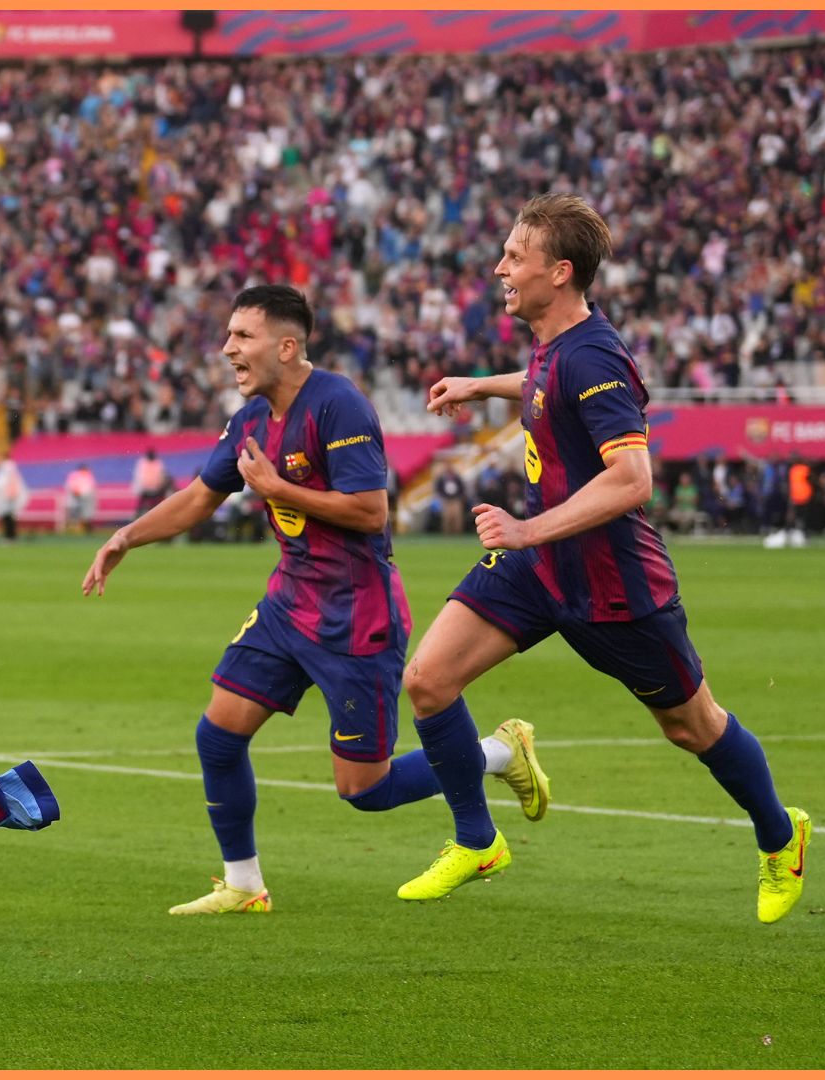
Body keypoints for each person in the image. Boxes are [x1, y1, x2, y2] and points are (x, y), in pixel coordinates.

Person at [403, 193, 809, 922]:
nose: (500, 268)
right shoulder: (555, 344)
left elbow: (633, 478)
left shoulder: (593, 356)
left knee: (694, 727)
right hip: (541, 568)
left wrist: (526, 532)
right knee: (429, 681)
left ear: (559, 272)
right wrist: (480, 386)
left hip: (613, 582)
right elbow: (541, 389)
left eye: (514, 257)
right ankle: (477, 839)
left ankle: (782, 837)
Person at [81, 285, 545, 915]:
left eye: (242, 337)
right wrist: (125, 538)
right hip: (288, 603)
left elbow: (369, 510)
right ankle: (243, 885)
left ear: (287, 345)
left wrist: (278, 489)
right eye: (229, 336)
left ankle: (497, 752)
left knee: (364, 789)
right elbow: (199, 496)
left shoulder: (338, 405)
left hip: (356, 615)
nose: (228, 349)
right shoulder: (248, 421)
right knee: (217, 735)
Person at [0, 451, 28, 542]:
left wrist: (12, 493)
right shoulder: (5, 467)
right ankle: (10, 536)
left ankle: (10, 537)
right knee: (7, 517)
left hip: (8, 496)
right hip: (6, 496)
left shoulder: (8, 466)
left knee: (8, 517)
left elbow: (12, 480)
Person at [131, 448, 171, 517]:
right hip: (146, 489)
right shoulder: (144, 463)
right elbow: (140, 477)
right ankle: (144, 517)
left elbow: (160, 476)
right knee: (147, 505)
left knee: (150, 505)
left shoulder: (156, 463)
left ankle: (149, 516)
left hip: (153, 489)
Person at [62, 462, 97, 535]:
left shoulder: (88, 476)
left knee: (85, 515)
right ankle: (73, 530)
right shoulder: (74, 475)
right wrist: (77, 492)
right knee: (74, 516)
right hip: (75, 499)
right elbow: (71, 487)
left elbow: (90, 488)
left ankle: (83, 529)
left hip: (86, 499)